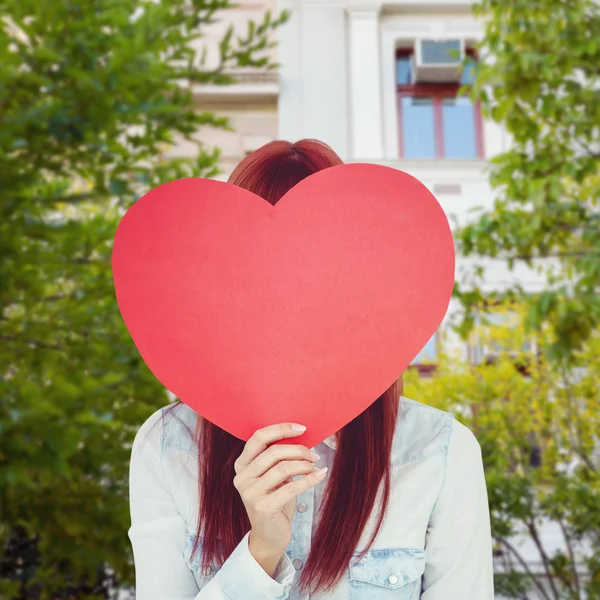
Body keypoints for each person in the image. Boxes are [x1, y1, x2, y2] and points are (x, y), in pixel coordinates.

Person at [128, 139, 495, 600]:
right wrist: (260, 552)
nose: (289, 310)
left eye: (319, 278)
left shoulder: (439, 454)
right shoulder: (168, 448)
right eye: (258, 280)